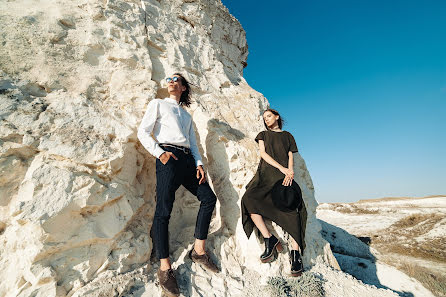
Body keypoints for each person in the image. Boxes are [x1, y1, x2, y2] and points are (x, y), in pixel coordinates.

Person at [137, 73, 219, 297]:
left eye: (176, 79)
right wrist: (159, 153)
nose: (171, 82)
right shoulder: (158, 104)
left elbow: (193, 143)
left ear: (183, 87)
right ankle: (165, 267)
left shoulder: (186, 114)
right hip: (168, 156)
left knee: (209, 198)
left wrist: (199, 164)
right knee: (163, 211)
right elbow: (143, 132)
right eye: (168, 79)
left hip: (187, 160)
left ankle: (199, 251)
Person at [241, 108, 307, 277]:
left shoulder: (288, 136)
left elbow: (290, 155)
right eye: (265, 118)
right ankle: (269, 238)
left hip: (285, 177)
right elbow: (263, 154)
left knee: (293, 209)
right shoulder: (263, 134)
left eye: (269, 116)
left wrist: (290, 171)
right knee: (248, 199)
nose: (267, 119)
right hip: (266, 175)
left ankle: (295, 254)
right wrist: (282, 168)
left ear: (277, 116)